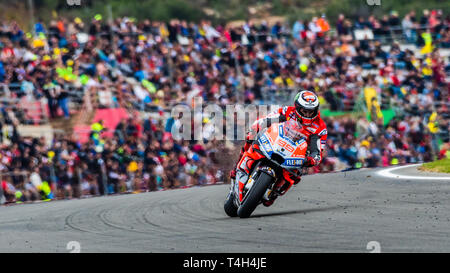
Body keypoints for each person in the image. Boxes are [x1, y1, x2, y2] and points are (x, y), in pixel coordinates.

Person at [230, 90, 328, 205]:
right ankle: (238, 165)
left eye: (310, 112)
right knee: (251, 137)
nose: (307, 114)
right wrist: (261, 124)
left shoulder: (320, 127)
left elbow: (317, 150)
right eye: (304, 111)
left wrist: (312, 159)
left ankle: (275, 191)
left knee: (294, 177)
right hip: (276, 142)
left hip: (296, 154)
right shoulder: (287, 111)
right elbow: (269, 118)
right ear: (297, 107)